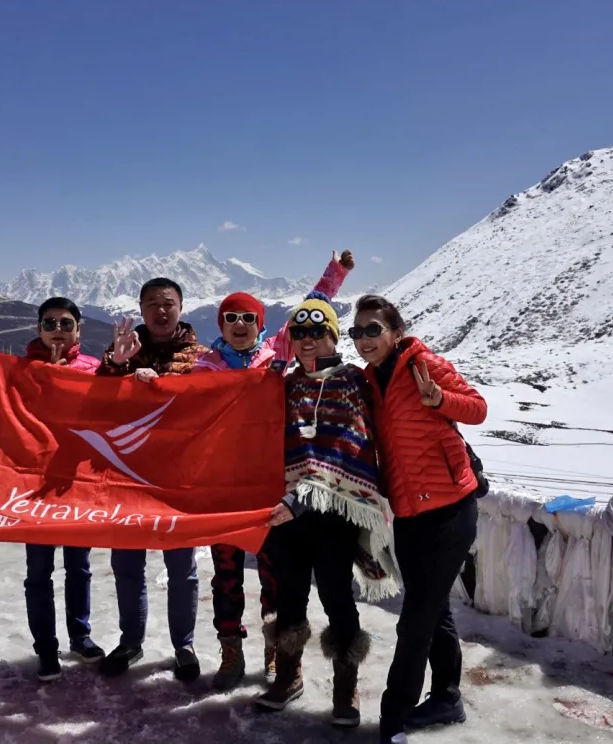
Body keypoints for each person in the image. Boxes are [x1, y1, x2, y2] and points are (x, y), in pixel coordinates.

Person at [193, 250, 355, 691]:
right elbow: (172, 408)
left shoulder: (274, 355)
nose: (241, 324)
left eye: (249, 317)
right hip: (223, 489)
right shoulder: (201, 369)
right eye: (232, 317)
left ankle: (273, 649)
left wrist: (335, 272)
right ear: (221, 325)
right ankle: (230, 649)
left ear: (261, 325)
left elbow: (311, 308)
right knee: (226, 573)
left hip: (268, 486)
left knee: (274, 575)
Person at [350, 294, 488, 744]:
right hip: (408, 513)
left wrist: (440, 399)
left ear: (395, 331)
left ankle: (394, 715)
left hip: (451, 509)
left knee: (415, 618)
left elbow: (477, 408)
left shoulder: (422, 364)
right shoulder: (369, 381)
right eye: (358, 332)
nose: (365, 339)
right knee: (434, 608)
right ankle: (447, 697)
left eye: (373, 329)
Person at [257, 291, 399, 729]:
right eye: (299, 332)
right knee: (290, 595)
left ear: (333, 337)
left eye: (317, 332)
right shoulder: (285, 384)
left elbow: (349, 444)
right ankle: (289, 676)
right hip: (285, 512)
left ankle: (345, 686)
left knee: (337, 596)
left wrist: (306, 493)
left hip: (333, 512)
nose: (307, 340)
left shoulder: (353, 380)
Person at [96, 277, 209, 682]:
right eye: (152, 304)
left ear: (181, 308)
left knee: (183, 568)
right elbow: (95, 403)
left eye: (169, 303)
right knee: (127, 566)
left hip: (180, 478)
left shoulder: (200, 357)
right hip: (127, 475)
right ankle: (131, 641)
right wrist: (118, 365)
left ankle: (184, 645)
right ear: (141, 309)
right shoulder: (120, 350)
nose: (161, 311)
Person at [23, 297, 104, 683]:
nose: (58, 330)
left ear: (78, 329)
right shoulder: (20, 372)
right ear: (38, 328)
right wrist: (45, 380)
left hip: (78, 480)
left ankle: (80, 635)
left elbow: (112, 412)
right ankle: (45, 648)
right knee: (38, 572)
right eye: (50, 323)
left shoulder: (93, 369)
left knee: (79, 566)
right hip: (35, 484)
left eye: (66, 323)